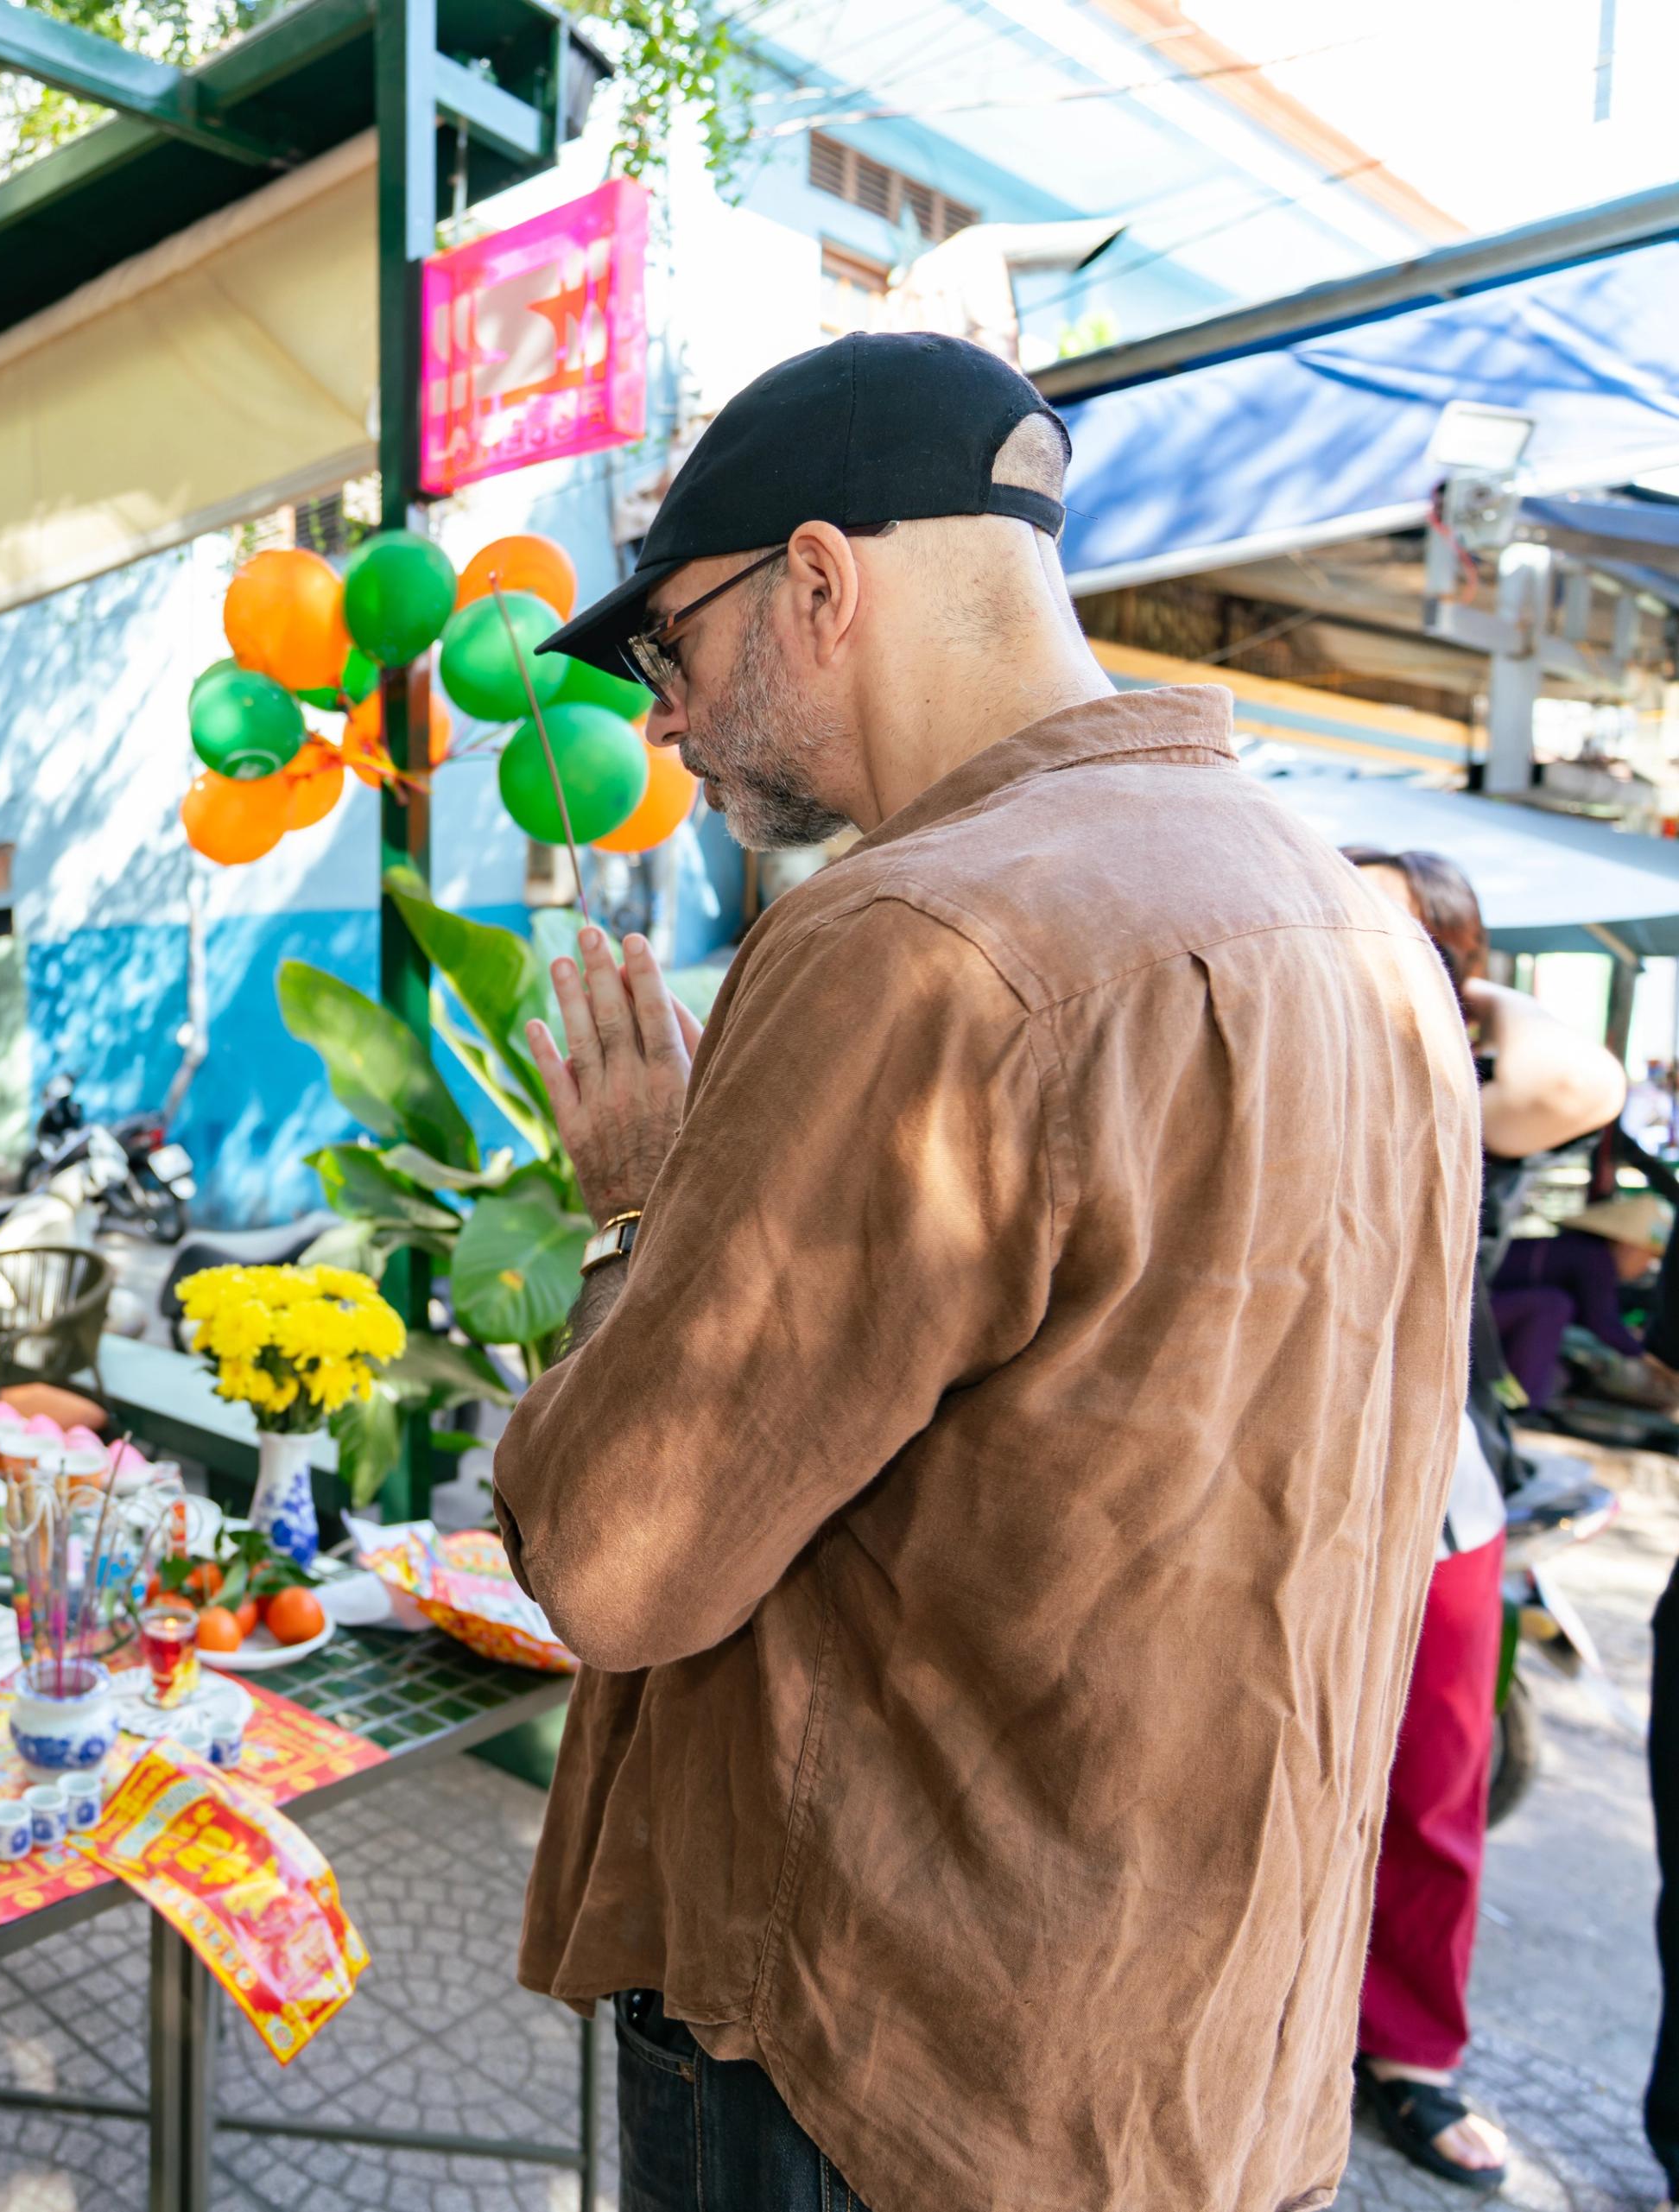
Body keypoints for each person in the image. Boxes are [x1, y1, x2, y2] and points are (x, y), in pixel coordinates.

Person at [491, 332, 1475, 2211]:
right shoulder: (1356, 927)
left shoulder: (919, 933)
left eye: (668, 645)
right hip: (1209, 2070)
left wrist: (635, 1197)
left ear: (819, 579)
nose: (669, 718)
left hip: (882, 2074)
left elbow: (618, 1560)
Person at [1342, 846, 1623, 2189]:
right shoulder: (1272, 1054)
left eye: (1386, 926)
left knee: (1432, 1788)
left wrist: (1456, 990)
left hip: (1437, 1494)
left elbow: (1598, 1081)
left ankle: (1410, 2059)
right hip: (1254, 1490)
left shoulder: (1471, 1091)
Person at [1491, 1196, 1673, 1412]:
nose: (1647, 1266)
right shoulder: (1595, 1258)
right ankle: (1518, 1403)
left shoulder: (1584, 1251)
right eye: (1648, 1256)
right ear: (1628, 1246)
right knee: (1554, 1305)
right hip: (1477, 1311)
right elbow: (1603, 1323)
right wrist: (1653, 1360)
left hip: (1490, 1311)